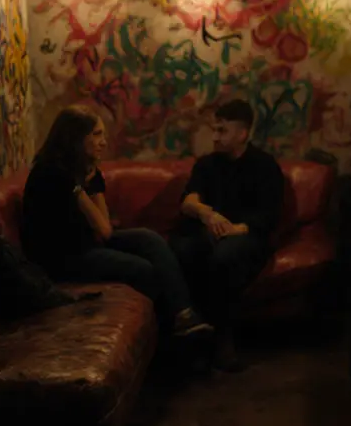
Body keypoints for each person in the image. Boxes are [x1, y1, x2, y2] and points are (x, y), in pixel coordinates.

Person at [21, 104, 213, 339]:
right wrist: (79, 190)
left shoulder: (87, 170)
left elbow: (106, 230)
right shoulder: (50, 172)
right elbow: (101, 228)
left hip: (87, 243)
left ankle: (184, 315)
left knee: (148, 238)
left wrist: (91, 184)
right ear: (75, 138)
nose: (103, 141)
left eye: (103, 134)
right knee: (143, 270)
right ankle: (169, 341)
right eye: (96, 134)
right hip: (60, 257)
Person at [171, 99, 284, 368]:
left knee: (224, 256)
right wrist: (207, 214)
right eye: (214, 130)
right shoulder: (207, 165)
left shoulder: (265, 166)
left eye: (222, 131)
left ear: (242, 133)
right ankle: (190, 334)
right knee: (182, 249)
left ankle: (223, 339)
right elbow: (189, 202)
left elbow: (268, 217)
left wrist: (232, 229)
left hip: (246, 236)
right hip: (208, 234)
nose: (215, 137)